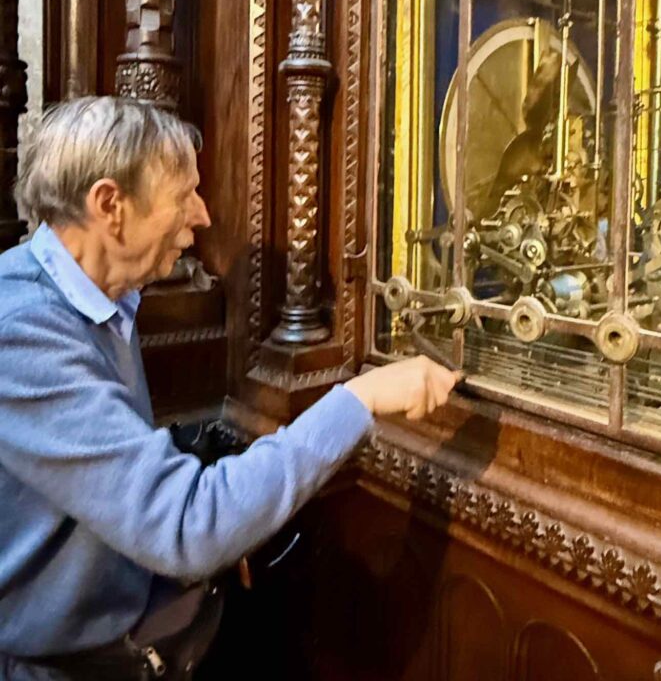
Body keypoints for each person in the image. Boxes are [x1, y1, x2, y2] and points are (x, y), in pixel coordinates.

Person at [0, 96, 459, 680]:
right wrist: (358, 399)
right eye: (182, 195)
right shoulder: (22, 336)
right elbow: (188, 525)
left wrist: (220, 536)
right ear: (109, 205)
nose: (203, 215)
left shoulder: (100, 300)